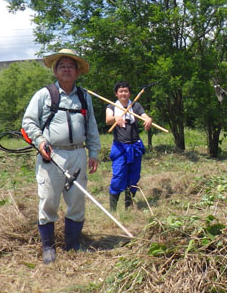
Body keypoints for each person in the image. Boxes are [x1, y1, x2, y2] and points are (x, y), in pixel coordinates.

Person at [22, 49, 101, 264]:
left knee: (77, 202)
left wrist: (93, 153)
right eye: (62, 65)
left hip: (78, 153)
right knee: (48, 199)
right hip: (51, 155)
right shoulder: (44, 95)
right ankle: (48, 248)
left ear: (77, 71)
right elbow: (28, 122)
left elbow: (92, 127)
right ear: (55, 71)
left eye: (71, 66)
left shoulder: (84, 97)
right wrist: (39, 141)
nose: (67, 69)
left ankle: (73, 244)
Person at [105, 81, 152, 211]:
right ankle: (113, 209)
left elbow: (144, 116)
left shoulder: (135, 105)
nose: (123, 93)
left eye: (126, 91)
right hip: (120, 147)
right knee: (119, 176)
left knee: (134, 176)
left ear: (129, 93)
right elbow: (108, 120)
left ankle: (129, 206)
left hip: (135, 146)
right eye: (121, 91)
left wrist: (148, 119)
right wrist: (116, 118)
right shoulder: (112, 106)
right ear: (116, 93)